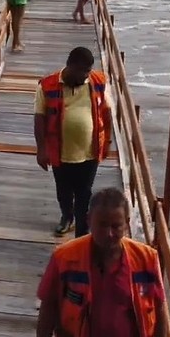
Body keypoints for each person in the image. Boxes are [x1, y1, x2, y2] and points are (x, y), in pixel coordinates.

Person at [36, 187, 167, 337]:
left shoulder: (147, 259)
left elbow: (160, 310)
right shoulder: (63, 258)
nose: (109, 233)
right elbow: (48, 310)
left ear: (126, 224)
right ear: (89, 221)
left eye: (116, 226)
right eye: (102, 225)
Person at [33, 46, 113, 237]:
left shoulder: (99, 82)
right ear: (70, 66)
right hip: (60, 151)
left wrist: (108, 141)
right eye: (81, 72)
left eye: (88, 71)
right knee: (64, 191)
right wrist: (41, 149)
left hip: (89, 151)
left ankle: (81, 233)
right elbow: (39, 118)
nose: (85, 76)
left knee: (84, 193)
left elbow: (107, 112)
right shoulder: (47, 85)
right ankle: (67, 217)